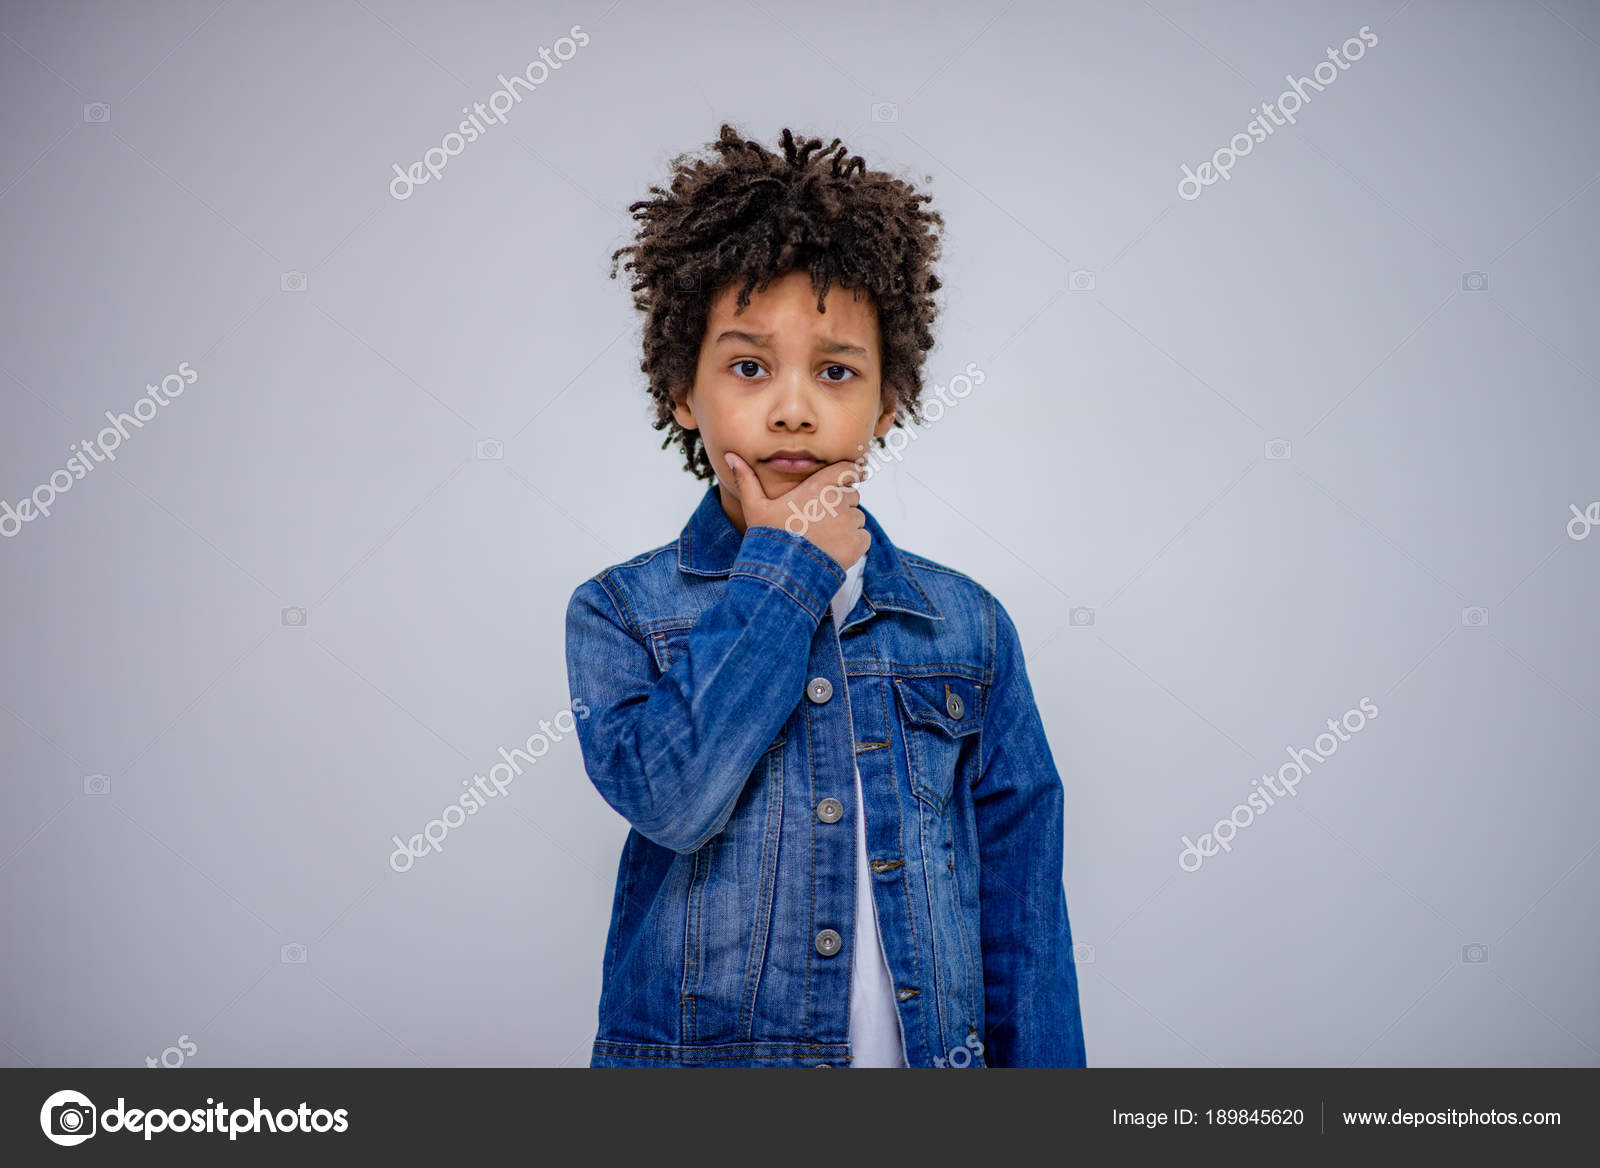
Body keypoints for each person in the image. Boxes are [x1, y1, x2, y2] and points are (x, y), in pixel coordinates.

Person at [564, 124, 1086, 1068]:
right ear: (684, 390)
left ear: (888, 403)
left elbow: (1024, 915)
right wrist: (789, 571)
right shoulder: (621, 611)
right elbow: (672, 801)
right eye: (749, 367)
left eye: (836, 371)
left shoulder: (965, 627)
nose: (794, 407)